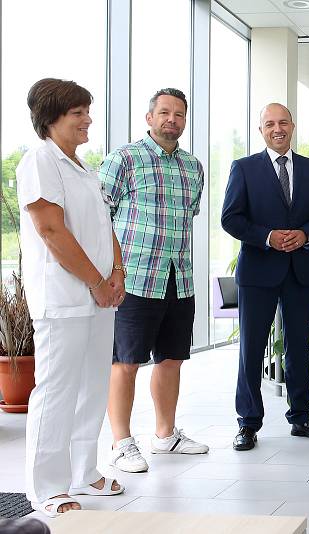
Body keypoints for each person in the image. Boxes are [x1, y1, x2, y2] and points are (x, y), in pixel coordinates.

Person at [18, 78, 124, 517]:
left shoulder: (84, 168)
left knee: (92, 388)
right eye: (78, 113)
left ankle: (84, 470)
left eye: (87, 111)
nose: (88, 120)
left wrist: (116, 273)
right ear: (52, 117)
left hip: (99, 298)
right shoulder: (40, 162)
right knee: (58, 390)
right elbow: (51, 231)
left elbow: (104, 228)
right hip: (63, 298)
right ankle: (46, 486)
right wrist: (96, 282)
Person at [98, 88, 207, 473]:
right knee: (125, 361)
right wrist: (111, 271)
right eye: (164, 112)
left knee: (172, 359)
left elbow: (187, 216)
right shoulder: (123, 159)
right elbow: (99, 218)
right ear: (149, 118)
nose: (172, 120)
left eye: (179, 114)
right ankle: (121, 443)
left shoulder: (193, 166)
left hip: (180, 277)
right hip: (135, 278)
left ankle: (165, 435)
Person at [222, 103, 309, 450]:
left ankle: (301, 417)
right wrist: (268, 237)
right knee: (252, 350)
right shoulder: (244, 168)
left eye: (282, 122)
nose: (277, 128)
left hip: (299, 269)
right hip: (258, 270)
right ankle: (248, 423)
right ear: (261, 130)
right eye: (269, 124)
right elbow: (231, 218)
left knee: (299, 346)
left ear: (293, 126)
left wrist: (305, 235)